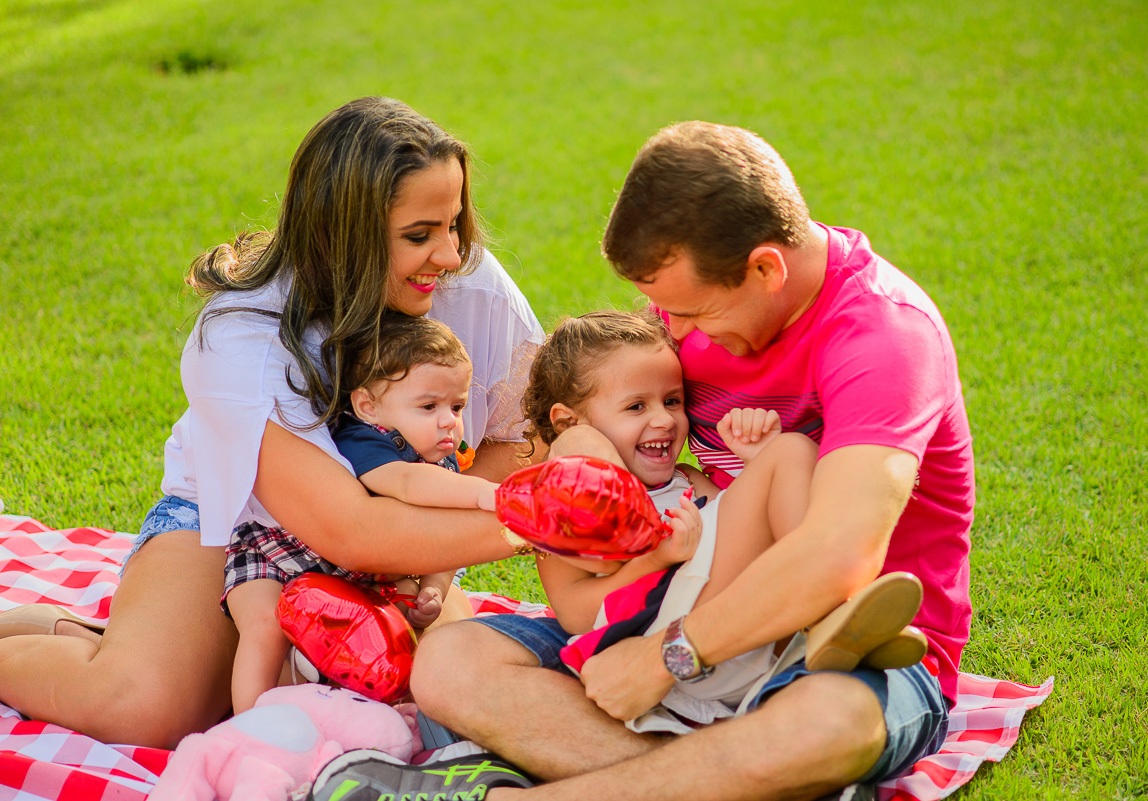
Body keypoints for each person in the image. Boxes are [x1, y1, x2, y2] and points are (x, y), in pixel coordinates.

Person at [329, 120, 973, 801]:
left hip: (841, 648)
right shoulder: (685, 317)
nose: (678, 334)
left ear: (765, 269)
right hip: (681, 600)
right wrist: (581, 455)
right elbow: (581, 423)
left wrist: (667, 657)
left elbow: (837, 557)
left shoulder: (883, 338)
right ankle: (728, 774)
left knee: (827, 725)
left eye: (692, 313)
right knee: (450, 662)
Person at [0, 96, 544, 748]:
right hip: (236, 526)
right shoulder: (242, 332)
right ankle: (115, 647)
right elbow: (350, 531)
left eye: (453, 225)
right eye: (419, 235)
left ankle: (153, 640)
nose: (450, 255)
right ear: (339, 236)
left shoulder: (472, 287)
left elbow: (525, 434)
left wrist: (439, 560)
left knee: (447, 702)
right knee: (145, 706)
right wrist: (547, 520)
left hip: (395, 525)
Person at [515, 310, 926, 736]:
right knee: (791, 452)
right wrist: (653, 559)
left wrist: (755, 465)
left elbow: (740, 538)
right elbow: (577, 615)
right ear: (569, 421)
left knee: (786, 454)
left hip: (736, 630)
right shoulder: (559, 507)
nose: (664, 419)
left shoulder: (686, 480)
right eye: (636, 406)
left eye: (672, 401)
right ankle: (829, 607)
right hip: (661, 645)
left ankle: (827, 623)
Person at [225, 313, 504, 713]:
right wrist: (486, 495)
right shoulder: (363, 439)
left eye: (457, 406)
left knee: (406, 617)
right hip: (277, 556)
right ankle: (251, 721)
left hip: (363, 573)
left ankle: (380, 708)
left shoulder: (439, 458)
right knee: (264, 626)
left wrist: (434, 589)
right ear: (368, 406)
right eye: (429, 406)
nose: (449, 421)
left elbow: (445, 544)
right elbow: (407, 483)